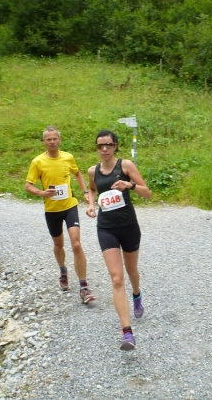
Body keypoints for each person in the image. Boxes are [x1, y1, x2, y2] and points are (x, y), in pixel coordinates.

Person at [86, 130, 151, 350]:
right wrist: (91, 204)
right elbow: (92, 190)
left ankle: (137, 295)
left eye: (108, 145)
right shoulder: (93, 171)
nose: (104, 149)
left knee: (132, 271)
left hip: (128, 226)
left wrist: (129, 185)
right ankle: (127, 333)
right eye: (100, 146)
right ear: (96, 148)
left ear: (115, 146)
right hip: (106, 228)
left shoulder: (126, 166)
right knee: (116, 279)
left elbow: (147, 193)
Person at [25, 125, 95, 304]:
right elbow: (28, 185)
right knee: (58, 244)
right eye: (48, 139)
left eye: (54, 138)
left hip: (70, 206)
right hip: (52, 210)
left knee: (76, 244)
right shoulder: (38, 162)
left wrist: (85, 191)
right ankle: (63, 271)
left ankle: (84, 287)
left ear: (59, 140)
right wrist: (42, 193)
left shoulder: (67, 157)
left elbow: (77, 173)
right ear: (44, 142)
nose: (52, 142)